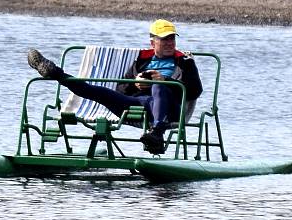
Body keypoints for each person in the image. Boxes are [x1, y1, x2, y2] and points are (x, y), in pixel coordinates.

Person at [27, 19, 203, 155]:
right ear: (153, 42)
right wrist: (137, 82)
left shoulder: (184, 61)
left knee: (158, 86)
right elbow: (122, 89)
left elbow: (195, 90)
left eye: (172, 38)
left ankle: (157, 133)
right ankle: (54, 72)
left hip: (171, 110)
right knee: (100, 93)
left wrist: (164, 80)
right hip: (140, 106)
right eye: (164, 40)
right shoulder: (142, 61)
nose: (170, 43)